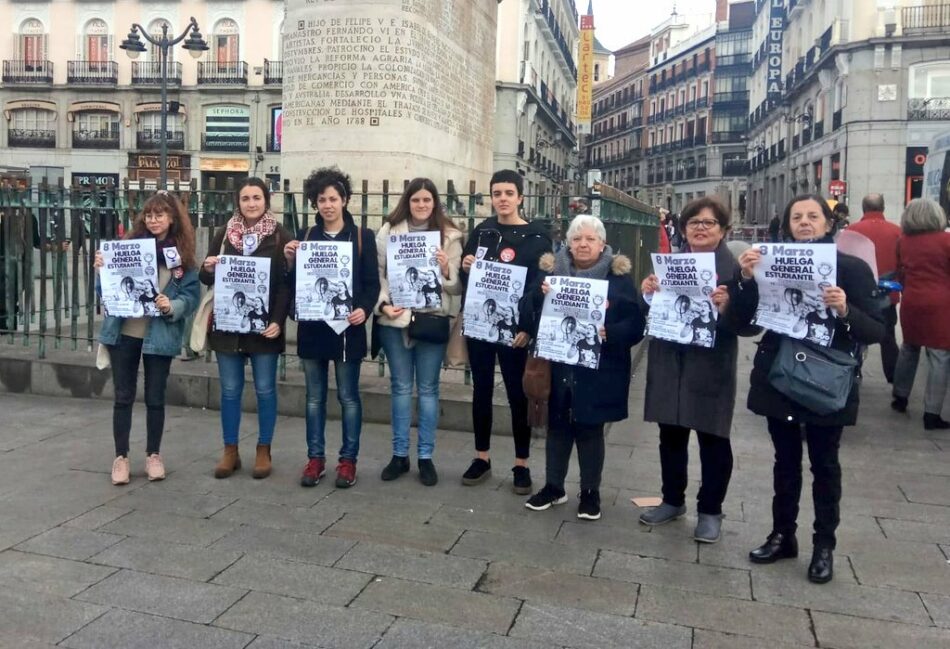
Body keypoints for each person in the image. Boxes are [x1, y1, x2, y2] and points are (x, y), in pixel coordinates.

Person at [738, 194, 885, 583]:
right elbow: (746, 325)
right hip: (781, 376)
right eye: (797, 217)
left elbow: (877, 329)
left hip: (825, 381)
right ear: (787, 226)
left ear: (828, 224)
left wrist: (845, 310)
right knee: (784, 463)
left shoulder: (850, 269)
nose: (805, 222)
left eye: (813, 216)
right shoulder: (768, 265)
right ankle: (783, 534)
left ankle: (824, 546)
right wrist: (746, 282)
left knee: (825, 464)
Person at [638, 197, 757, 543]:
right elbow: (652, 314)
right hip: (669, 362)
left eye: (709, 223)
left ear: (723, 230)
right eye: (694, 222)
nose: (701, 228)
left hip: (710, 365)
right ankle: (673, 499)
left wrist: (730, 306)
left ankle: (710, 510)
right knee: (670, 435)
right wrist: (648, 295)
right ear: (683, 228)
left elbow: (751, 326)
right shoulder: (669, 264)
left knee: (713, 439)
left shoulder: (736, 271)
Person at [523, 215, 645, 520]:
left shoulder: (617, 281)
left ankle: (590, 492)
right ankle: (554, 486)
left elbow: (636, 325)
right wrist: (540, 296)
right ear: (567, 243)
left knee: (591, 430)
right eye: (577, 239)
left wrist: (610, 331)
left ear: (602, 244)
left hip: (598, 371)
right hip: (558, 366)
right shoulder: (549, 275)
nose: (583, 244)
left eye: (590, 239)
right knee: (557, 428)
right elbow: (526, 311)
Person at [284, 167, 379, 488]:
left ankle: (348, 461)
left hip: (347, 330)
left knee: (349, 397)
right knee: (314, 398)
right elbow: (295, 284)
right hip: (313, 328)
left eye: (333, 198)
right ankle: (315, 459)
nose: (328, 205)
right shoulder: (305, 237)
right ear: (315, 203)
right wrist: (290, 261)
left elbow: (371, 284)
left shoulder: (363, 237)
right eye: (322, 199)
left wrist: (364, 309)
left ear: (345, 200)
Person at [96, 192, 200, 485]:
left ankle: (154, 454)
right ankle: (121, 457)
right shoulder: (127, 248)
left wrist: (173, 306)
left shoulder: (182, 257)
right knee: (123, 396)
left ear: (172, 219)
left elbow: (192, 296)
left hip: (160, 334)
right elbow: (103, 290)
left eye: (160, 215)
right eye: (150, 215)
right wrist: (101, 270)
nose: (154, 221)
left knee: (155, 397)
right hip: (125, 331)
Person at [459, 169, 553, 494]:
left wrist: (528, 327)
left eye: (508, 193)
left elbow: (540, 288)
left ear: (520, 197)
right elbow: (466, 281)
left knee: (517, 394)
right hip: (481, 328)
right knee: (481, 390)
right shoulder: (482, 232)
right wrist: (465, 267)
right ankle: (481, 457)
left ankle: (521, 463)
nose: (502, 199)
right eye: (497, 193)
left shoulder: (539, 238)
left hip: (516, 331)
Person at [199, 178, 292, 480]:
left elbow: (284, 286)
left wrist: (278, 321)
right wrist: (208, 268)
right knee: (229, 391)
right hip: (228, 328)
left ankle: (263, 449)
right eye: (245, 198)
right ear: (237, 202)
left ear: (266, 201)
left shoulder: (280, 237)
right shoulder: (224, 235)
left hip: (264, 329)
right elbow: (205, 277)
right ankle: (230, 450)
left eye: (256, 197)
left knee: (265, 389)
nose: (251, 203)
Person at [374, 177, 463, 486]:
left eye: (427, 200)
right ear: (407, 202)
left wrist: (446, 268)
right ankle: (399, 455)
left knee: (427, 390)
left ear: (434, 203)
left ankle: (425, 457)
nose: (422, 205)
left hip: (431, 320)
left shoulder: (449, 236)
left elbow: (456, 286)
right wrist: (384, 305)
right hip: (396, 319)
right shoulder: (389, 230)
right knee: (399, 388)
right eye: (416, 200)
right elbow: (378, 273)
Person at [890, 198, 950, 429]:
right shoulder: (946, 241)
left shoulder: (903, 241)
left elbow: (900, 272)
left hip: (912, 301)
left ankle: (900, 396)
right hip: (941, 303)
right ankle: (932, 413)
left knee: (909, 347)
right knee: (939, 356)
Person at [848, 193, 901, 383]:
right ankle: (894, 377)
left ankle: (855, 371)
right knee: (888, 337)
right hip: (887, 296)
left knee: (856, 335)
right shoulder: (897, 231)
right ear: (883, 208)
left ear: (863, 208)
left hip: (858, 295)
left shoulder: (851, 231)